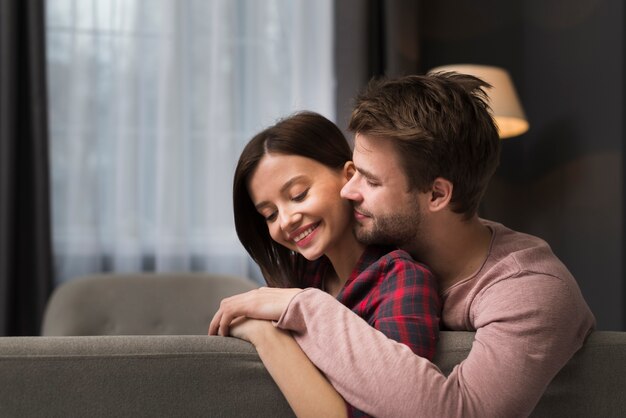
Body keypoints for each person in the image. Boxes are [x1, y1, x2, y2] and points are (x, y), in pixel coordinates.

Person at [210, 73, 596, 417]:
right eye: (353, 172)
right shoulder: (362, 258)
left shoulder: (530, 289)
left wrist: (302, 308)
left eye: (370, 181)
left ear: (437, 195)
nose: (348, 190)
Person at [210, 111, 440, 417]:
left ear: (349, 177)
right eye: (270, 214)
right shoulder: (302, 275)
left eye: (298, 194)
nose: (286, 220)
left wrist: (266, 334)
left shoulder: (402, 280)